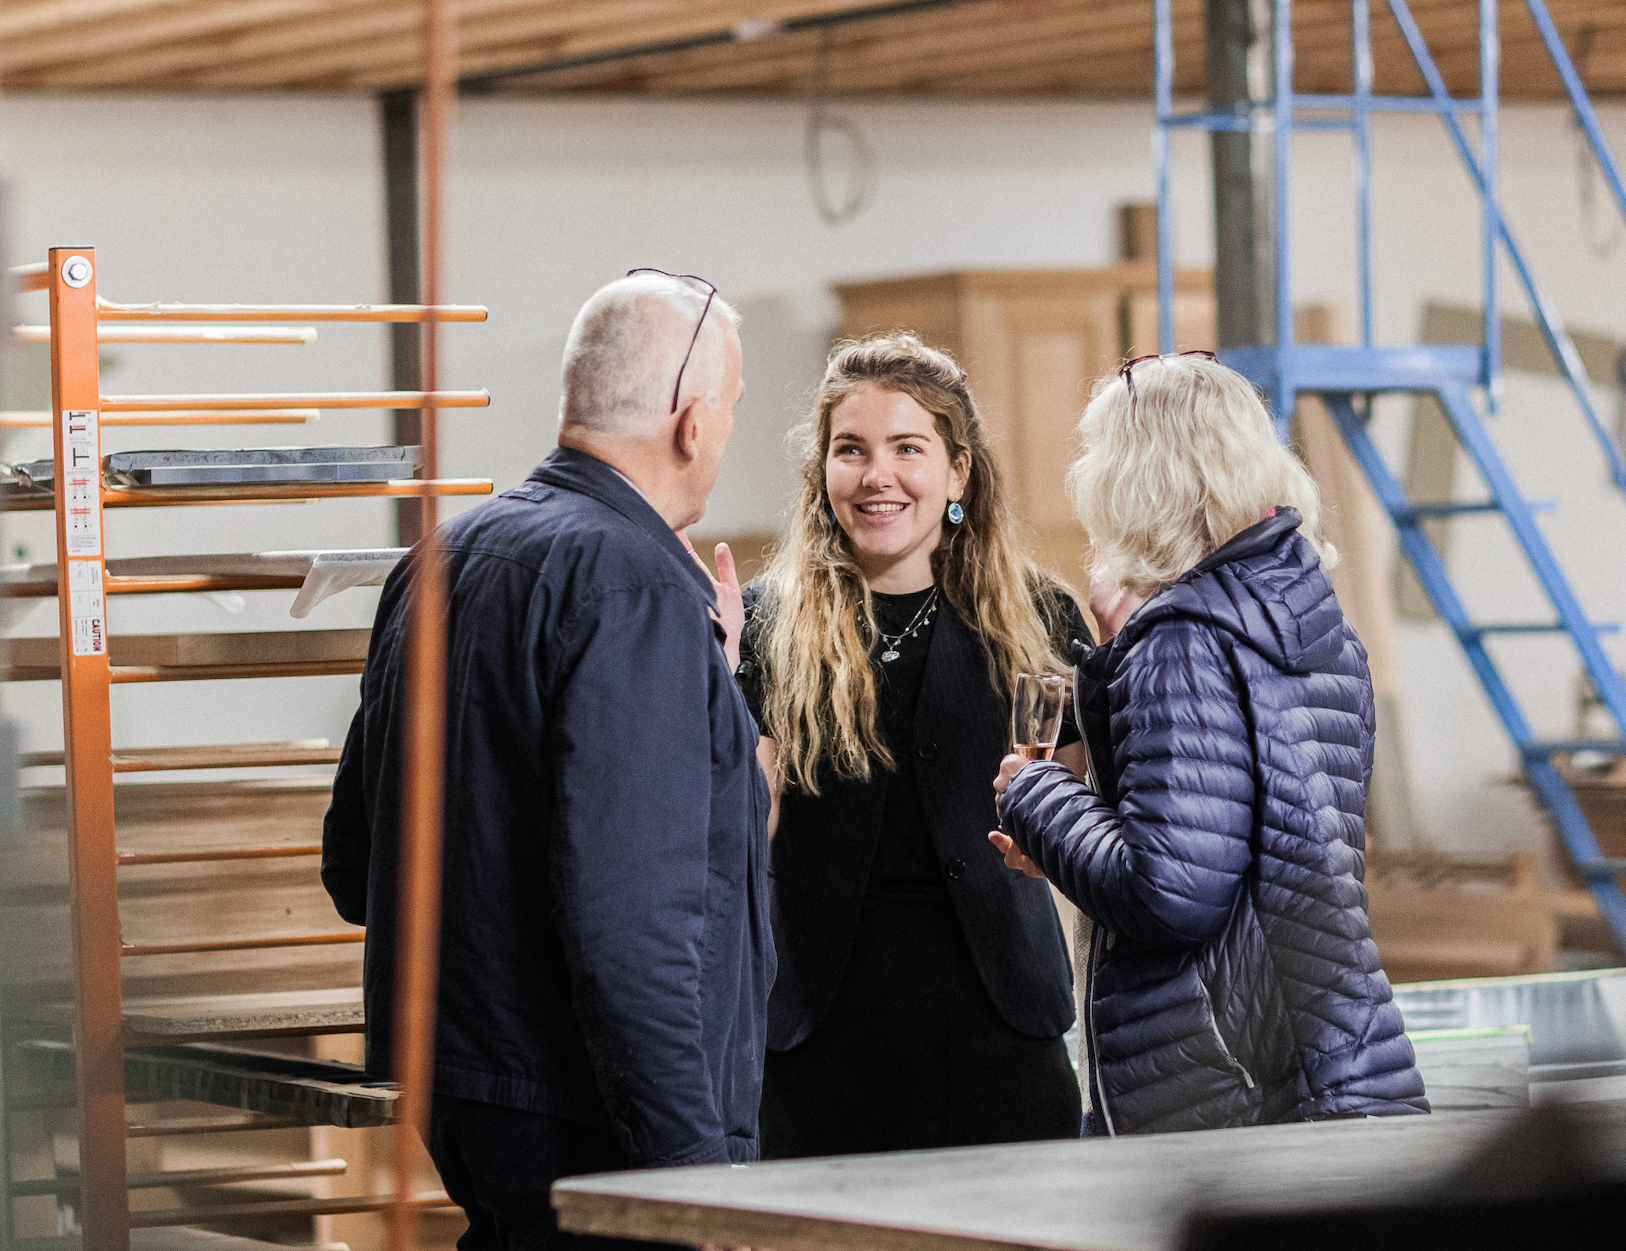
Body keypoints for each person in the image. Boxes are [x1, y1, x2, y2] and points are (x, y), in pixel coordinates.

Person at [321, 270, 774, 1251]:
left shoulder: (443, 557)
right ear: (694, 423)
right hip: (597, 1124)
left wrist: (706, 682)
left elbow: (356, 866)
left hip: (467, 1099)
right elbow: (634, 927)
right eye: (732, 408)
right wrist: (700, 1182)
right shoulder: (636, 587)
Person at [991, 351, 1430, 1136]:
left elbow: (1171, 891)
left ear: (1137, 483)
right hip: (1335, 1063)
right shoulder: (1313, 622)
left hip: (1227, 1093)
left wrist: (1036, 795)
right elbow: (1247, 858)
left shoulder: (1184, 640)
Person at [734, 332, 1086, 1158]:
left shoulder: (1039, 616)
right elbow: (740, 823)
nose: (876, 475)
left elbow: (1083, 828)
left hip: (1002, 1032)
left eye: (907, 448)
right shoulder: (763, 624)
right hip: (820, 1041)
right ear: (823, 470)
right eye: (850, 449)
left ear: (958, 472)